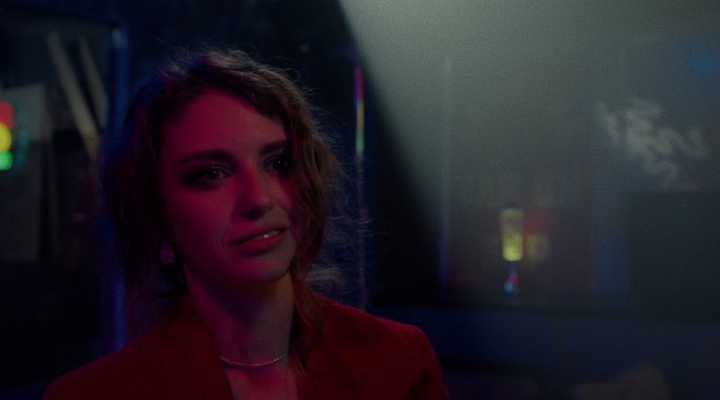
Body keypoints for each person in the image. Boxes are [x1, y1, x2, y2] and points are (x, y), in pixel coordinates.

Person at [44, 48, 448, 400]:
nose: (258, 199)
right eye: (210, 174)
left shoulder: (397, 362)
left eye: (278, 163)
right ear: (157, 217)